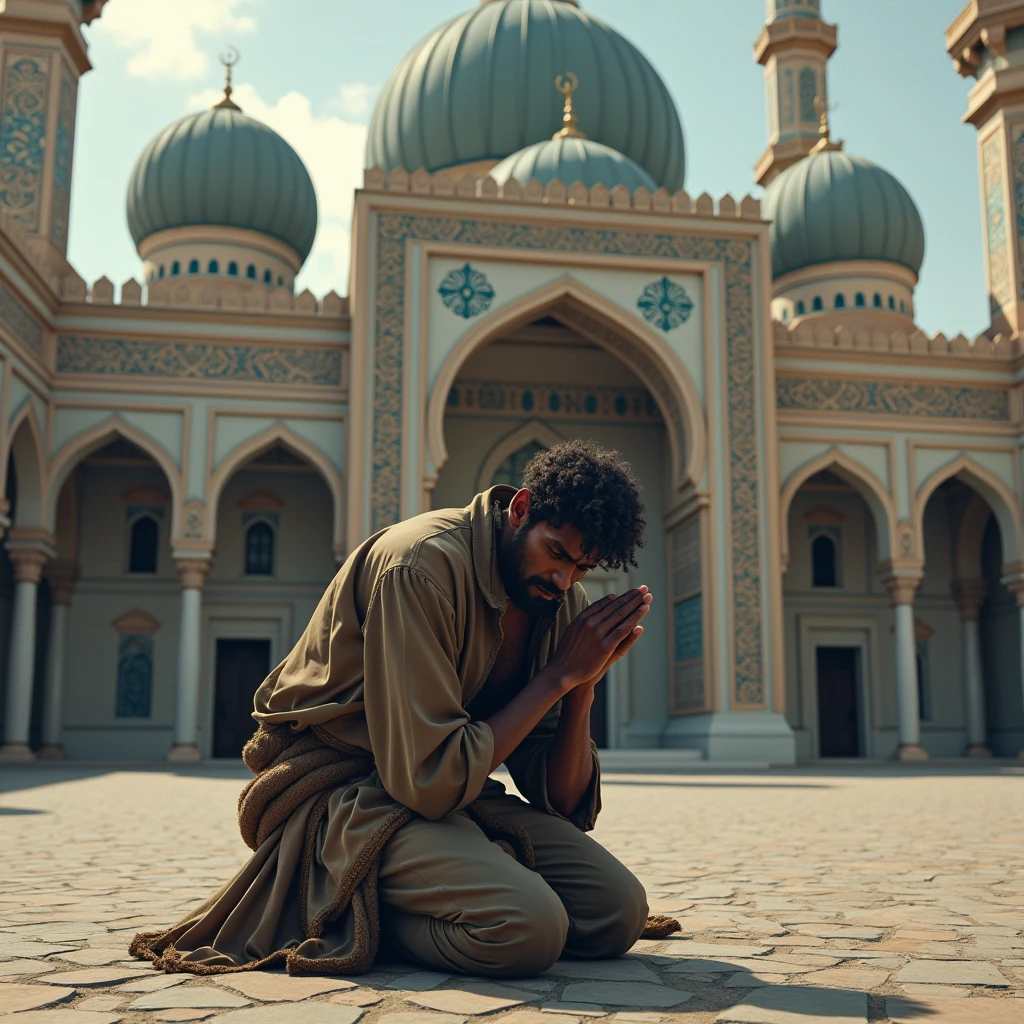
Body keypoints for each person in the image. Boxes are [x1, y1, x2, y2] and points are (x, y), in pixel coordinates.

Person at [132, 440, 655, 979]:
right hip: (345, 790)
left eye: (583, 567)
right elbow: (425, 780)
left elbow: (563, 800)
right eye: (557, 553)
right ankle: (360, 917)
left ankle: (434, 899)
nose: (564, 580)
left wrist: (581, 685)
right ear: (520, 510)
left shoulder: (553, 599)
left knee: (617, 913)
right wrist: (555, 676)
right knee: (529, 929)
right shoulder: (420, 566)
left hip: (450, 790)